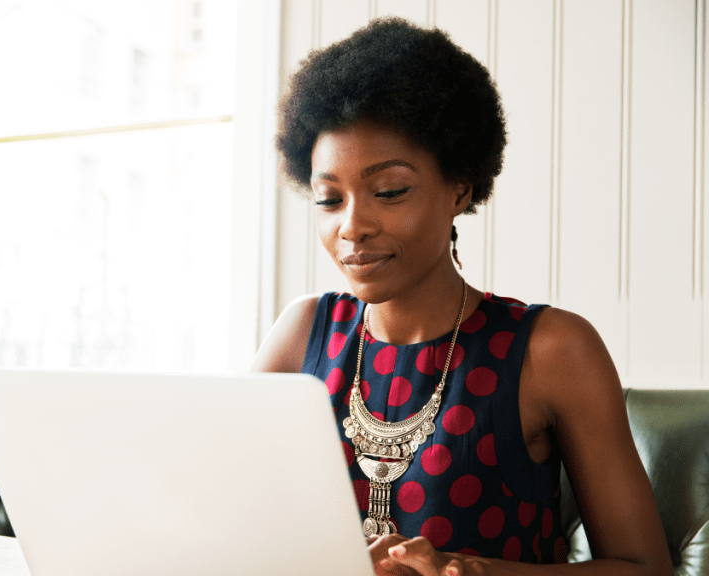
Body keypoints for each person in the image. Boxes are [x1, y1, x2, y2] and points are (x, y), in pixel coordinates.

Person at [251, 17, 672, 576]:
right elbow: (226, 516)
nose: (352, 226)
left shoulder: (552, 350)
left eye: (389, 191)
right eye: (329, 200)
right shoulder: (303, 333)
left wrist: (468, 570)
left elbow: (644, 567)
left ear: (460, 188)